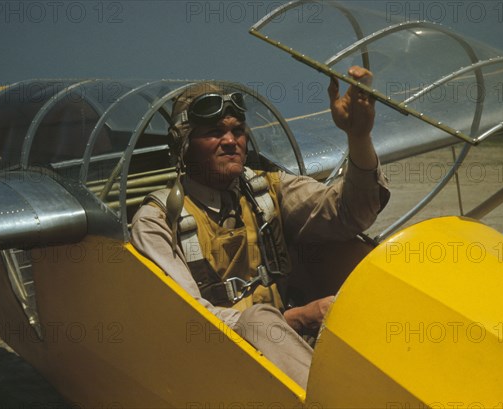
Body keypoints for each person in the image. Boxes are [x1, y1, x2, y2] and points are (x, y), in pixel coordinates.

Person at [130, 66, 390, 389]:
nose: (231, 141)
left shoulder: (265, 190)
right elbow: (192, 318)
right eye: (213, 131)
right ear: (183, 144)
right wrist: (294, 319)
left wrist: (359, 137)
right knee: (257, 322)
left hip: (283, 350)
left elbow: (351, 214)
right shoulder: (158, 221)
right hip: (211, 365)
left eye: (238, 130)